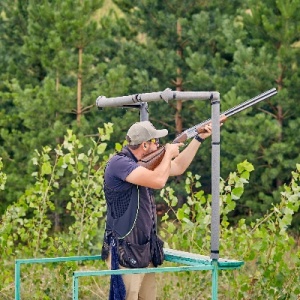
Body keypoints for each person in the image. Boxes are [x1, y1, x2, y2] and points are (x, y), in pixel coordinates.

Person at [101, 120, 215, 300]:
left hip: (144, 250)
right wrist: (168, 153)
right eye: (156, 142)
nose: (159, 145)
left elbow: (178, 167)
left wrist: (198, 138)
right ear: (145, 145)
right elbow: (158, 181)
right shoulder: (119, 163)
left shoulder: (143, 164)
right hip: (125, 252)